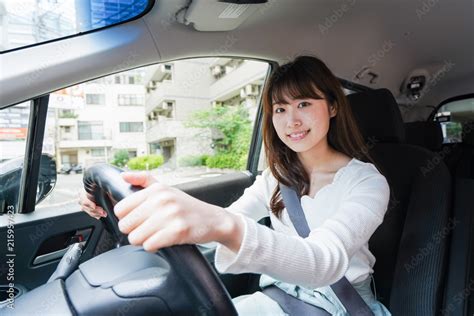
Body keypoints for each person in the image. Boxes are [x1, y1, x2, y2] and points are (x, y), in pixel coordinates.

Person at [79, 55, 391, 315]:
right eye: (280, 109)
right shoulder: (276, 176)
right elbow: (216, 233)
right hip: (276, 300)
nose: (290, 120)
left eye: (304, 104)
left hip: (341, 308)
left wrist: (224, 225)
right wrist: (141, 204)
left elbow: (324, 262)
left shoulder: (367, 182)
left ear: (333, 107)